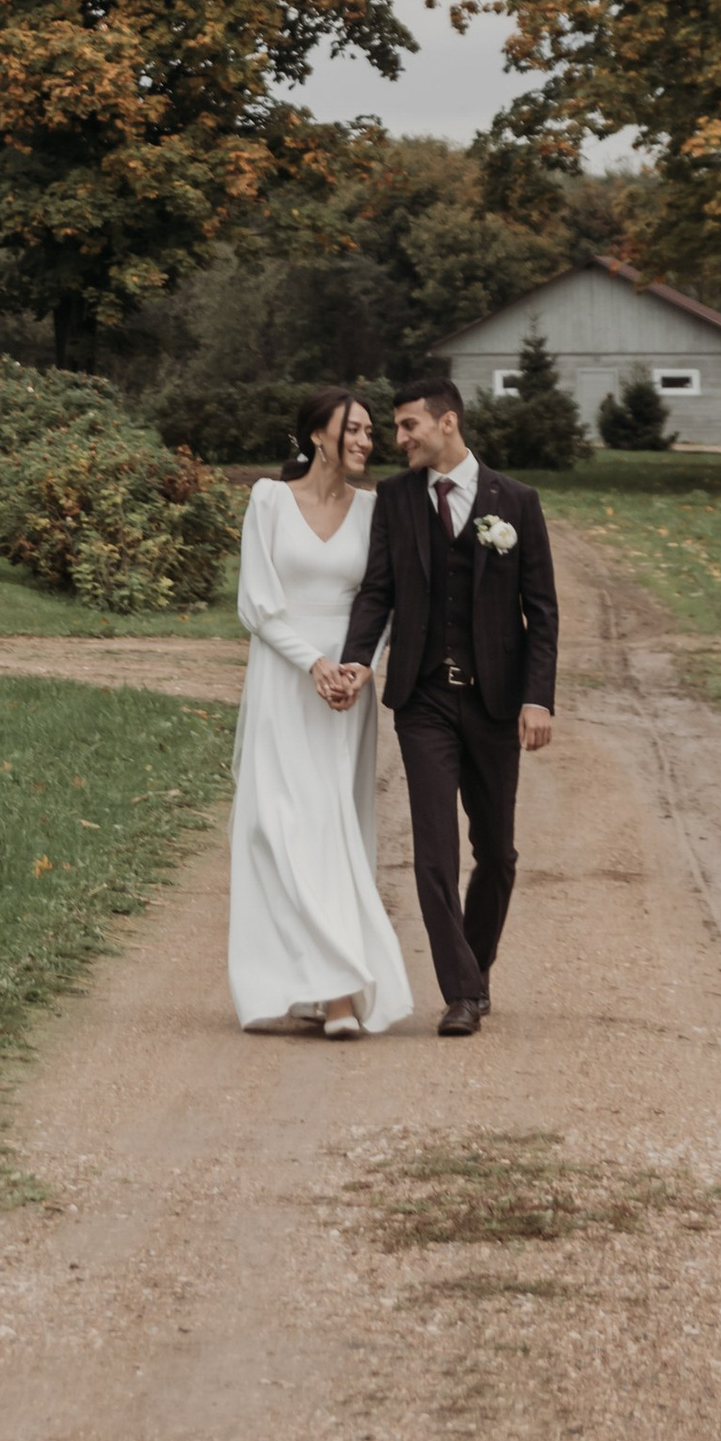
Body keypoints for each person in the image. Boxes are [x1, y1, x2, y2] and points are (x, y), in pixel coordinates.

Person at [333, 374, 559, 1037]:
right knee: (434, 851)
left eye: (408, 425)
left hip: (494, 702)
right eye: (396, 427)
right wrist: (357, 660)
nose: (397, 438)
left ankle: (475, 968)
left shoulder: (516, 501)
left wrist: (537, 697)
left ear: (447, 423)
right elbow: (377, 591)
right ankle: (459, 992)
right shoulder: (395, 498)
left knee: (498, 853)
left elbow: (542, 612)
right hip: (423, 697)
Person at [228, 386, 414, 1038]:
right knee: (277, 827)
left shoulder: (374, 509)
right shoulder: (268, 500)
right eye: (352, 429)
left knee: (332, 827)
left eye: (369, 430)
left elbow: (381, 599)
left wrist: (361, 666)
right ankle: (303, 983)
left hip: (345, 690)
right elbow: (256, 604)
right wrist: (312, 663)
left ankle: (335, 993)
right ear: (316, 435)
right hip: (286, 679)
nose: (366, 440)